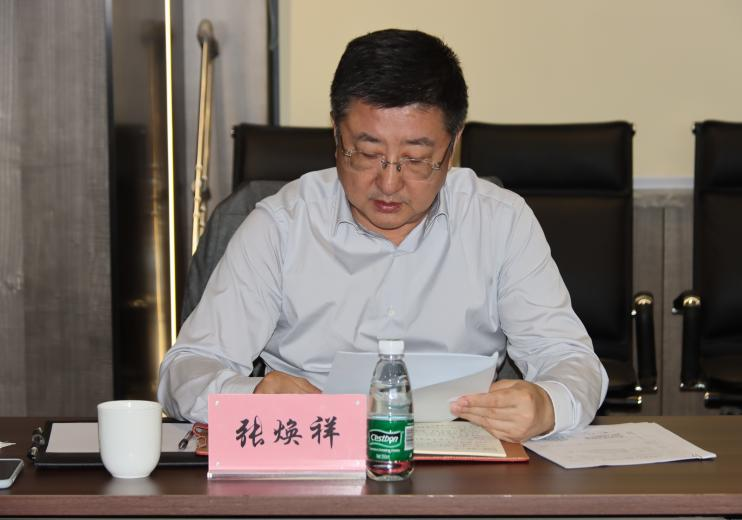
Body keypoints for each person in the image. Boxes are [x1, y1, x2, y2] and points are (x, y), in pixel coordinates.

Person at [158, 28, 607, 442]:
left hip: (461, 459)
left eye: (416, 159)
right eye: (367, 153)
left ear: (453, 145)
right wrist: (252, 396)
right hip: (312, 455)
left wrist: (548, 405)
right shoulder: (280, 226)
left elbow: (569, 358)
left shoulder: (499, 221)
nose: (389, 184)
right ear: (336, 134)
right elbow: (185, 371)